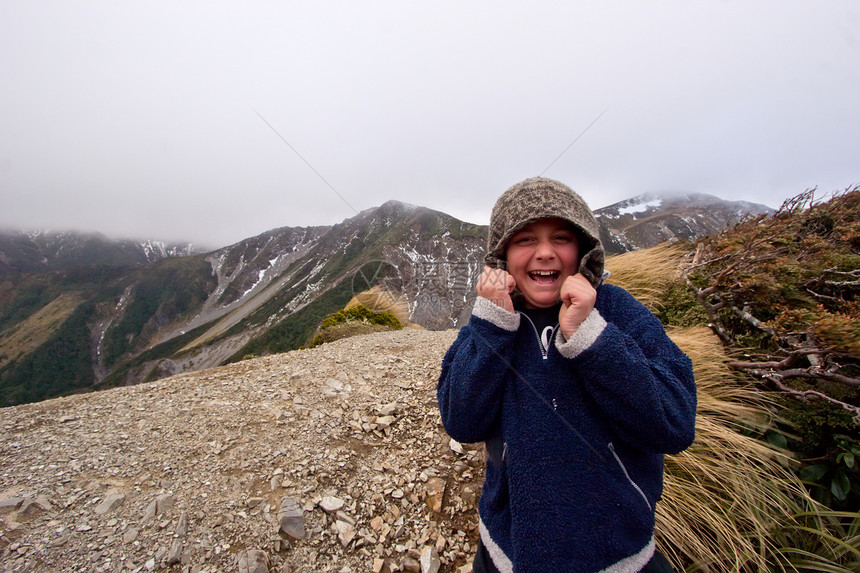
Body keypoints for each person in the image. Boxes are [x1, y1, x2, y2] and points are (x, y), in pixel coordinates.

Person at [437, 177, 697, 572]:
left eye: (561, 237)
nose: (545, 253)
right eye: (524, 240)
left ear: (583, 250)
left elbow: (675, 423)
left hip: (621, 561)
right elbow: (461, 420)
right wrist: (493, 322)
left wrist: (588, 335)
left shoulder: (617, 310)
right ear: (502, 256)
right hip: (505, 557)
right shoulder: (492, 318)